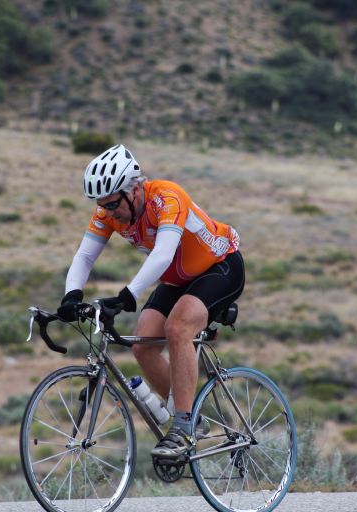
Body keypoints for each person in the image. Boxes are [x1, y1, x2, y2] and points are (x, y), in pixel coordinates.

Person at [57, 144, 245, 459]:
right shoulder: (109, 211)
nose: (108, 211)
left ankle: (182, 428)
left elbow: (163, 253)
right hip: (177, 279)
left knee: (178, 327)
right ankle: (194, 420)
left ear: (133, 189)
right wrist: (71, 295)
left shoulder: (167, 197)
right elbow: (85, 255)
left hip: (220, 267)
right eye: (102, 205)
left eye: (113, 203)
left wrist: (127, 295)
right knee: (143, 344)